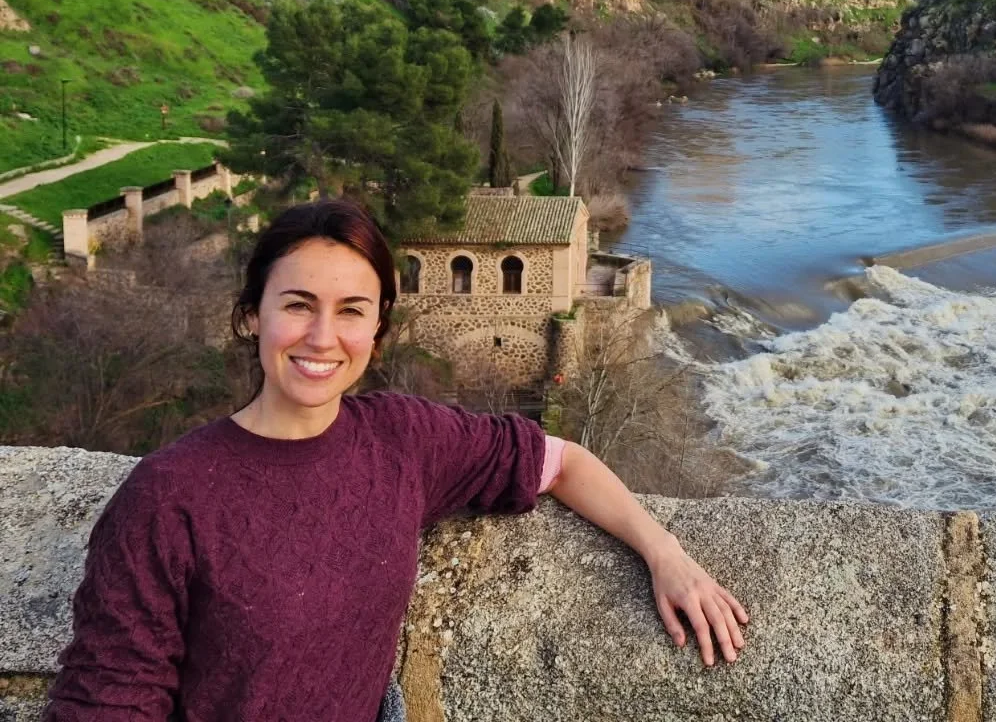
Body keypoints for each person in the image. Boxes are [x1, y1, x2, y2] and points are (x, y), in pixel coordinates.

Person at [45, 200, 748, 721]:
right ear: (251, 313)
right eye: (298, 305)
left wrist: (665, 552)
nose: (323, 337)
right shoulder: (169, 497)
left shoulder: (403, 441)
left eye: (352, 310)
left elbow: (559, 461)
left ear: (378, 329)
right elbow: (109, 702)